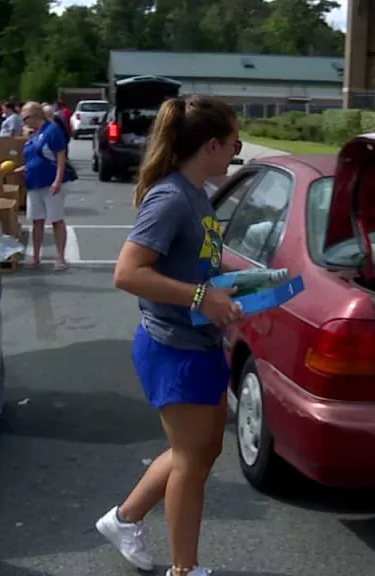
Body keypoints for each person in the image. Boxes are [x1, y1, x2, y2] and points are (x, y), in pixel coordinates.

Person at [96, 95, 243, 576]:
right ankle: (184, 569)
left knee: (201, 450)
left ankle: (125, 518)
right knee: (190, 462)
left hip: (197, 341)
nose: (238, 152)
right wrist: (203, 297)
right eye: (235, 142)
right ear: (212, 145)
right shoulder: (171, 196)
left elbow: (195, 263)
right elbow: (127, 273)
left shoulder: (197, 192)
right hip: (172, 346)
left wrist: (232, 292)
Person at [20, 101, 76, 271]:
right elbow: (33, 158)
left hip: (51, 182)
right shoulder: (33, 134)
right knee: (36, 221)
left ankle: (60, 257)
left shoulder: (52, 131)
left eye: (25, 118)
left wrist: (57, 181)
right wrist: (23, 168)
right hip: (34, 183)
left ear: (35, 116)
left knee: (56, 219)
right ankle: (36, 257)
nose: (24, 122)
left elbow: (61, 156)